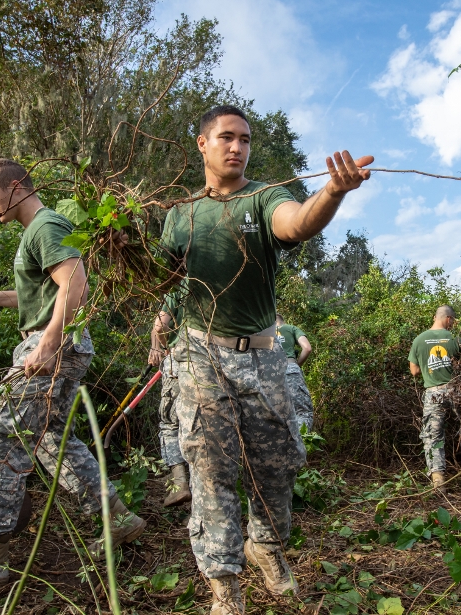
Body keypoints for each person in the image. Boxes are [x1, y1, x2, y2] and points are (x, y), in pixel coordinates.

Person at [160, 105, 372, 615]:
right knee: (210, 468)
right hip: (199, 351)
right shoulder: (179, 214)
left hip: (262, 355)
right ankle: (224, 587)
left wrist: (332, 193)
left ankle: (267, 547)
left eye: (245, 140)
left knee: (278, 465)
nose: (237, 147)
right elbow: (167, 281)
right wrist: (159, 326)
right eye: (227, 138)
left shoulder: (263, 197)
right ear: (203, 144)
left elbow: (297, 223)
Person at [0, 159, 146, 595]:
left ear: (17, 186)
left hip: (51, 346)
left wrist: (47, 343)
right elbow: (41, 294)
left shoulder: (44, 225)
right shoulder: (34, 233)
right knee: (51, 440)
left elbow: (74, 283)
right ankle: (116, 517)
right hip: (59, 341)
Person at [407, 305, 461, 489]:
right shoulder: (455, 339)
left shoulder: (419, 340)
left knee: (433, 435)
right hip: (455, 391)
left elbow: (413, 371)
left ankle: (438, 479)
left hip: (433, 393)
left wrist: (429, 367)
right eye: (453, 321)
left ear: (435, 317)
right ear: (448, 319)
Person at [148, 286, 192, 507]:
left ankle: (180, 480)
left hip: (180, 359)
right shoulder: (218, 281)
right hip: (215, 361)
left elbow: (160, 326)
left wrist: (167, 350)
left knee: (169, 423)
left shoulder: (180, 287)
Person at [275, 313, 314, 433]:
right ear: (282, 320)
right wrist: (296, 365)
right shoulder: (291, 328)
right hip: (290, 369)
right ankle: (302, 444)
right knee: (302, 412)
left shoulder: (264, 332)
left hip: (268, 375)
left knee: (276, 414)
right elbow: (307, 348)